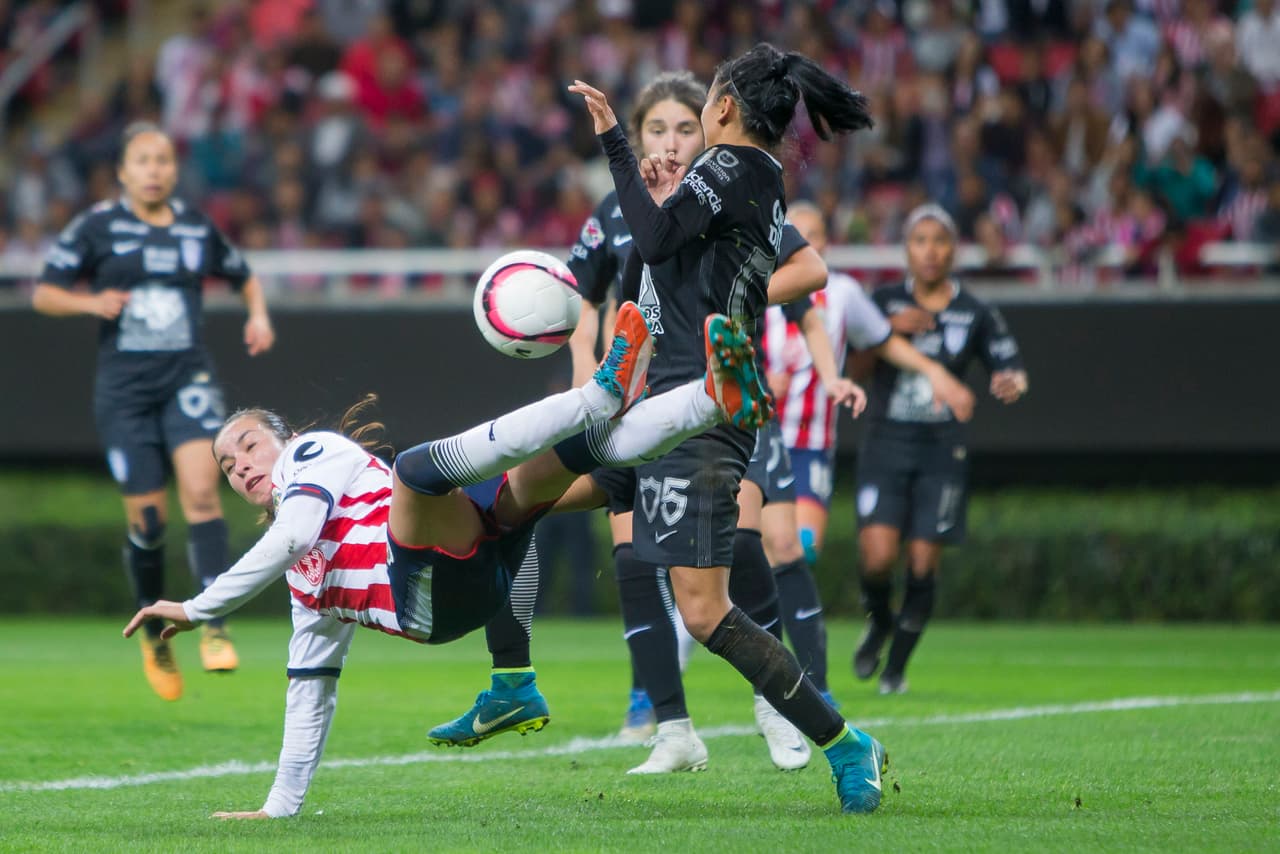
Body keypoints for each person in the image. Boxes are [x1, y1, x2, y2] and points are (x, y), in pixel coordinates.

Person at [121, 302, 772, 819]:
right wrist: (277, 809)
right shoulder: (304, 582)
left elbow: (293, 534)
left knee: (545, 469)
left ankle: (712, 401)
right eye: (229, 466)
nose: (241, 466)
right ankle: (605, 404)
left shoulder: (312, 455)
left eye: (248, 446)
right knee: (437, 474)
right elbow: (308, 694)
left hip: (466, 580)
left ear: (285, 440)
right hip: (433, 596)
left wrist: (194, 607)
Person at [568, 42, 888, 814]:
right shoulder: (757, 178)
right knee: (518, 495)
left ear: (720, 111)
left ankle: (842, 741)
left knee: (707, 611)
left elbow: (652, 242)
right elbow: (659, 266)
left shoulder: (725, 167)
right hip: (655, 401)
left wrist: (614, 139)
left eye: (697, 112)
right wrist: (650, 184)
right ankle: (511, 674)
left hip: (692, 415)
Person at [32, 121, 275, 702]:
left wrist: (257, 315)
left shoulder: (195, 226)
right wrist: (90, 301)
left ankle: (215, 622)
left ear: (173, 168)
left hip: (185, 380)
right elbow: (43, 292)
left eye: (163, 159)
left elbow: (244, 276)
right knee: (149, 522)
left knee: (202, 493)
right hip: (125, 391)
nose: (154, 170)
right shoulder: (98, 225)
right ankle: (155, 636)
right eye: (143, 160)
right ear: (123, 170)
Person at [761, 202, 977, 703]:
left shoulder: (843, 294)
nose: (803, 240)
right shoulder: (752, 283)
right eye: (796, 232)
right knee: (744, 557)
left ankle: (797, 677)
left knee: (798, 550)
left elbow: (880, 341)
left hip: (809, 445)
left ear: (824, 246)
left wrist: (933, 370)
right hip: (750, 437)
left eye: (812, 234)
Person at [851, 203, 1028, 695]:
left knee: (924, 562)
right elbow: (852, 369)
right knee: (878, 557)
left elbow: (1008, 364)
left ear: (954, 249)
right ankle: (880, 621)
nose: (931, 251)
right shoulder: (881, 301)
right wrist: (890, 334)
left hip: (940, 451)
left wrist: (1011, 381)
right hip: (887, 443)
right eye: (920, 241)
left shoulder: (974, 310)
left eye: (940, 241)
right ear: (906, 249)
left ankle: (895, 671)